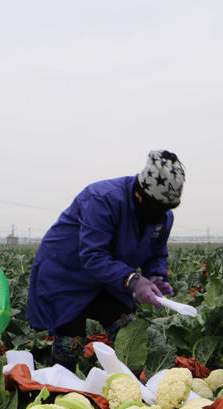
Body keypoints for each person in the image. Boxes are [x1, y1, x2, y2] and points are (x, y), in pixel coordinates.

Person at [27, 150, 185, 371]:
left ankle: (134, 387)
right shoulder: (103, 199)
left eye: (167, 209)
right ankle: (58, 394)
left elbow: (156, 252)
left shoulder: (162, 217)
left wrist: (156, 275)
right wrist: (133, 279)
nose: (161, 215)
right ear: (140, 195)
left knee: (127, 328)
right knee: (71, 339)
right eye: (156, 208)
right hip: (67, 272)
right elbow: (93, 255)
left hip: (107, 278)